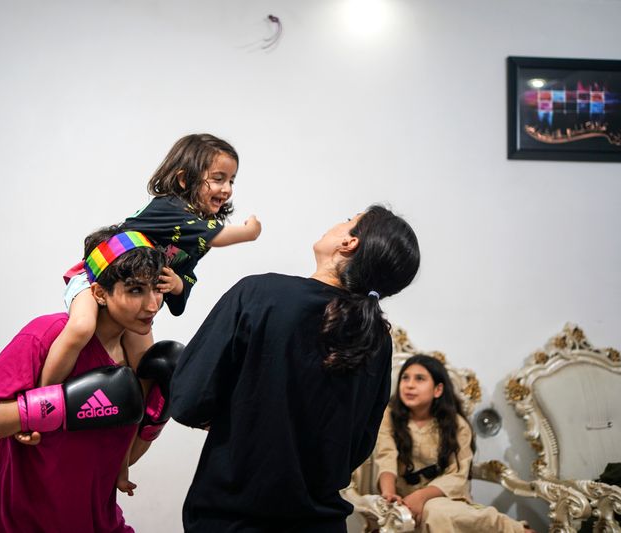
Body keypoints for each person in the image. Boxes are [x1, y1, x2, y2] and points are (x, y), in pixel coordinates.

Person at [170, 204, 421, 532]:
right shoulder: (379, 341)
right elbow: (358, 446)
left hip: (233, 518)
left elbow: (188, 400)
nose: (338, 221)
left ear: (349, 243)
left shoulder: (260, 294)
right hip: (322, 522)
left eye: (348, 221)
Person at [42, 133, 262, 493]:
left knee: (149, 374)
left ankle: (119, 466)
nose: (227, 189)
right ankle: (40, 404)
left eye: (232, 181)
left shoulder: (193, 237)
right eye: (219, 178)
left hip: (131, 308)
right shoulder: (169, 209)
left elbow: (182, 282)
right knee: (81, 327)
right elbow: (217, 235)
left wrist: (176, 284)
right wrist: (250, 232)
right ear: (183, 179)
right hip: (95, 279)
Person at [0, 226, 169, 533]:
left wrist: (158, 415)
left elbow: (121, 460)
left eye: (156, 289)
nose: (152, 305)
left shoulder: (140, 361)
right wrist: (54, 407)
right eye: (135, 290)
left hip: (99, 522)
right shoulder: (47, 335)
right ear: (99, 293)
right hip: (23, 525)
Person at [375, 354, 533, 532]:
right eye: (405, 378)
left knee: (436, 510)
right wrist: (388, 494)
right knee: (433, 512)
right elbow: (386, 457)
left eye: (420, 379)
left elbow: (457, 474)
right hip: (405, 501)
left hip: (447, 497)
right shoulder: (389, 417)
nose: (410, 385)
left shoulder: (456, 424)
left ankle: (515, 529)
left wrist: (422, 496)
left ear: (438, 390)